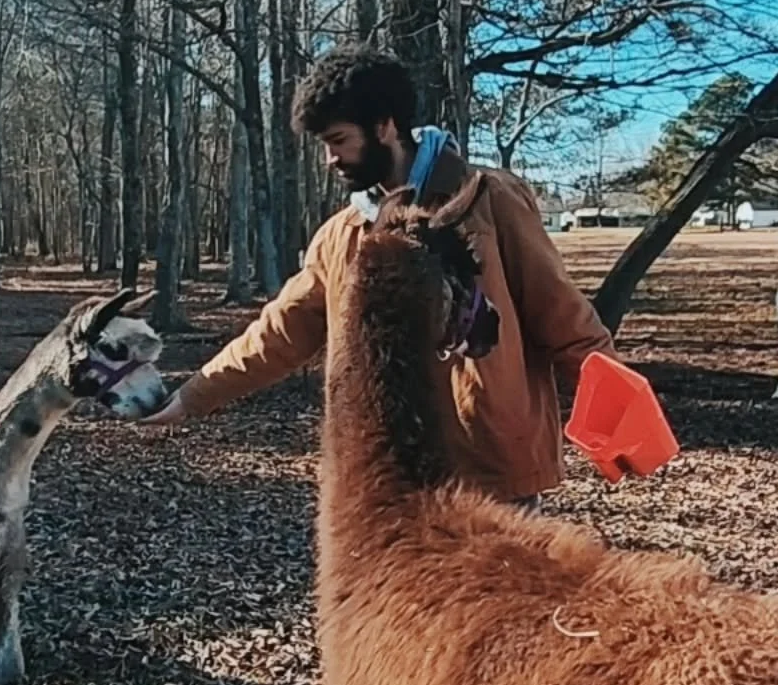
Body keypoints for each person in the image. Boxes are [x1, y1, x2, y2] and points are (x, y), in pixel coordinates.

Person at [143, 46, 614, 503]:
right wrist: (195, 394)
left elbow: (562, 315)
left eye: (339, 141)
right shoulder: (341, 236)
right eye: (324, 145)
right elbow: (281, 331)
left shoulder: (490, 201)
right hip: (383, 478)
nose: (330, 159)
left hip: (487, 471)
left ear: (385, 126)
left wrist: (617, 417)